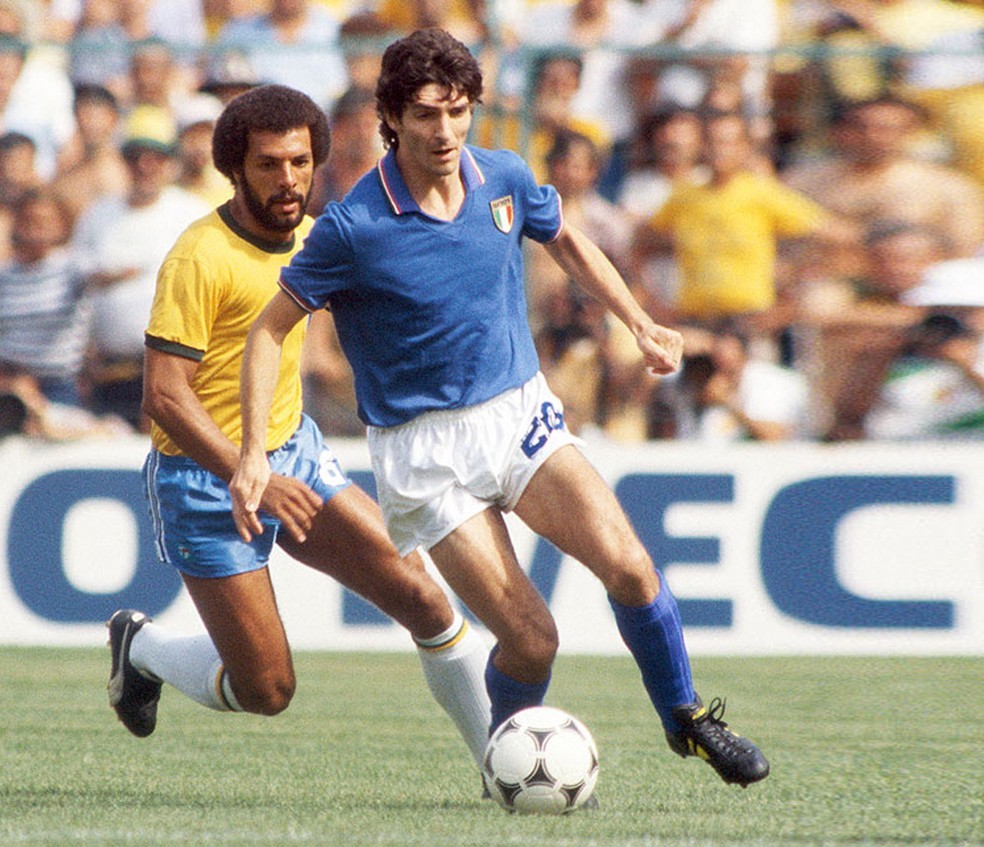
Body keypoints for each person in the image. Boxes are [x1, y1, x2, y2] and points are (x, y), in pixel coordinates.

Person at [232, 28, 770, 788]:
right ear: (392, 118)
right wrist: (252, 451)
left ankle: (686, 718)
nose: (444, 130)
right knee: (532, 640)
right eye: (426, 114)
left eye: (457, 111)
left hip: (519, 414)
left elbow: (566, 240)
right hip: (424, 451)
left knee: (631, 568)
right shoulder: (355, 225)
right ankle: (503, 765)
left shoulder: (505, 176)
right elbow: (268, 331)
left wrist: (637, 321)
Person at [106, 84, 492, 781]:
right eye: (268, 164)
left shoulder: (318, 238)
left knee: (425, 597)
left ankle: (498, 769)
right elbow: (163, 395)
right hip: (205, 481)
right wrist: (246, 472)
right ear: (234, 168)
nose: (288, 179)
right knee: (268, 690)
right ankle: (144, 648)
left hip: (295, 457)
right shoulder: (200, 256)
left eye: (300, 162)